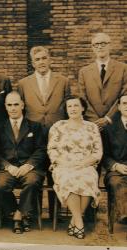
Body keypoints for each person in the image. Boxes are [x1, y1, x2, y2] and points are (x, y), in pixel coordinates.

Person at [18, 45, 70, 219]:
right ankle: (35, 213)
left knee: (55, 173)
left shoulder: (63, 81)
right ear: (32, 63)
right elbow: (22, 112)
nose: (41, 62)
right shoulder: (24, 83)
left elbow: (67, 107)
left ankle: (56, 214)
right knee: (36, 172)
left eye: (44, 58)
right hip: (34, 136)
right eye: (37, 59)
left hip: (57, 135)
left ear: (50, 59)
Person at [48, 96, 102, 239]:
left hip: (86, 164)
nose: (73, 109)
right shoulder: (58, 126)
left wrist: (85, 162)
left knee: (88, 178)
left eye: (76, 106)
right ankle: (79, 222)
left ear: (82, 108)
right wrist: (63, 163)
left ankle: (75, 221)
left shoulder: (92, 127)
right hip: (63, 165)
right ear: (66, 110)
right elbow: (51, 149)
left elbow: (98, 151)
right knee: (69, 178)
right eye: (69, 106)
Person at [0, 91, 46, 234]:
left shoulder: (35, 126)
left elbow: (41, 149)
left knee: (31, 182)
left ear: (22, 105)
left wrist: (29, 165)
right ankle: (17, 213)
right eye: (9, 105)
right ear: (5, 106)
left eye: (16, 104)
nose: (13, 108)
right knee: (0, 185)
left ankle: (19, 218)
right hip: (8, 168)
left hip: (30, 168)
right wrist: (7, 166)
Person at [78, 32, 127, 131]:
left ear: (110, 45)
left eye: (103, 43)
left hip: (116, 123)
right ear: (92, 48)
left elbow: (124, 95)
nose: (100, 47)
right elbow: (83, 98)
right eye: (96, 44)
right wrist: (94, 120)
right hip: (93, 126)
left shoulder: (123, 68)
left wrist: (108, 118)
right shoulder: (84, 72)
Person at [103, 95, 127, 226]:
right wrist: (116, 166)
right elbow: (104, 156)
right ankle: (125, 215)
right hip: (117, 171)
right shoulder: (109, 129)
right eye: (124, 103)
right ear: (118, 107)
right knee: (117, 182)